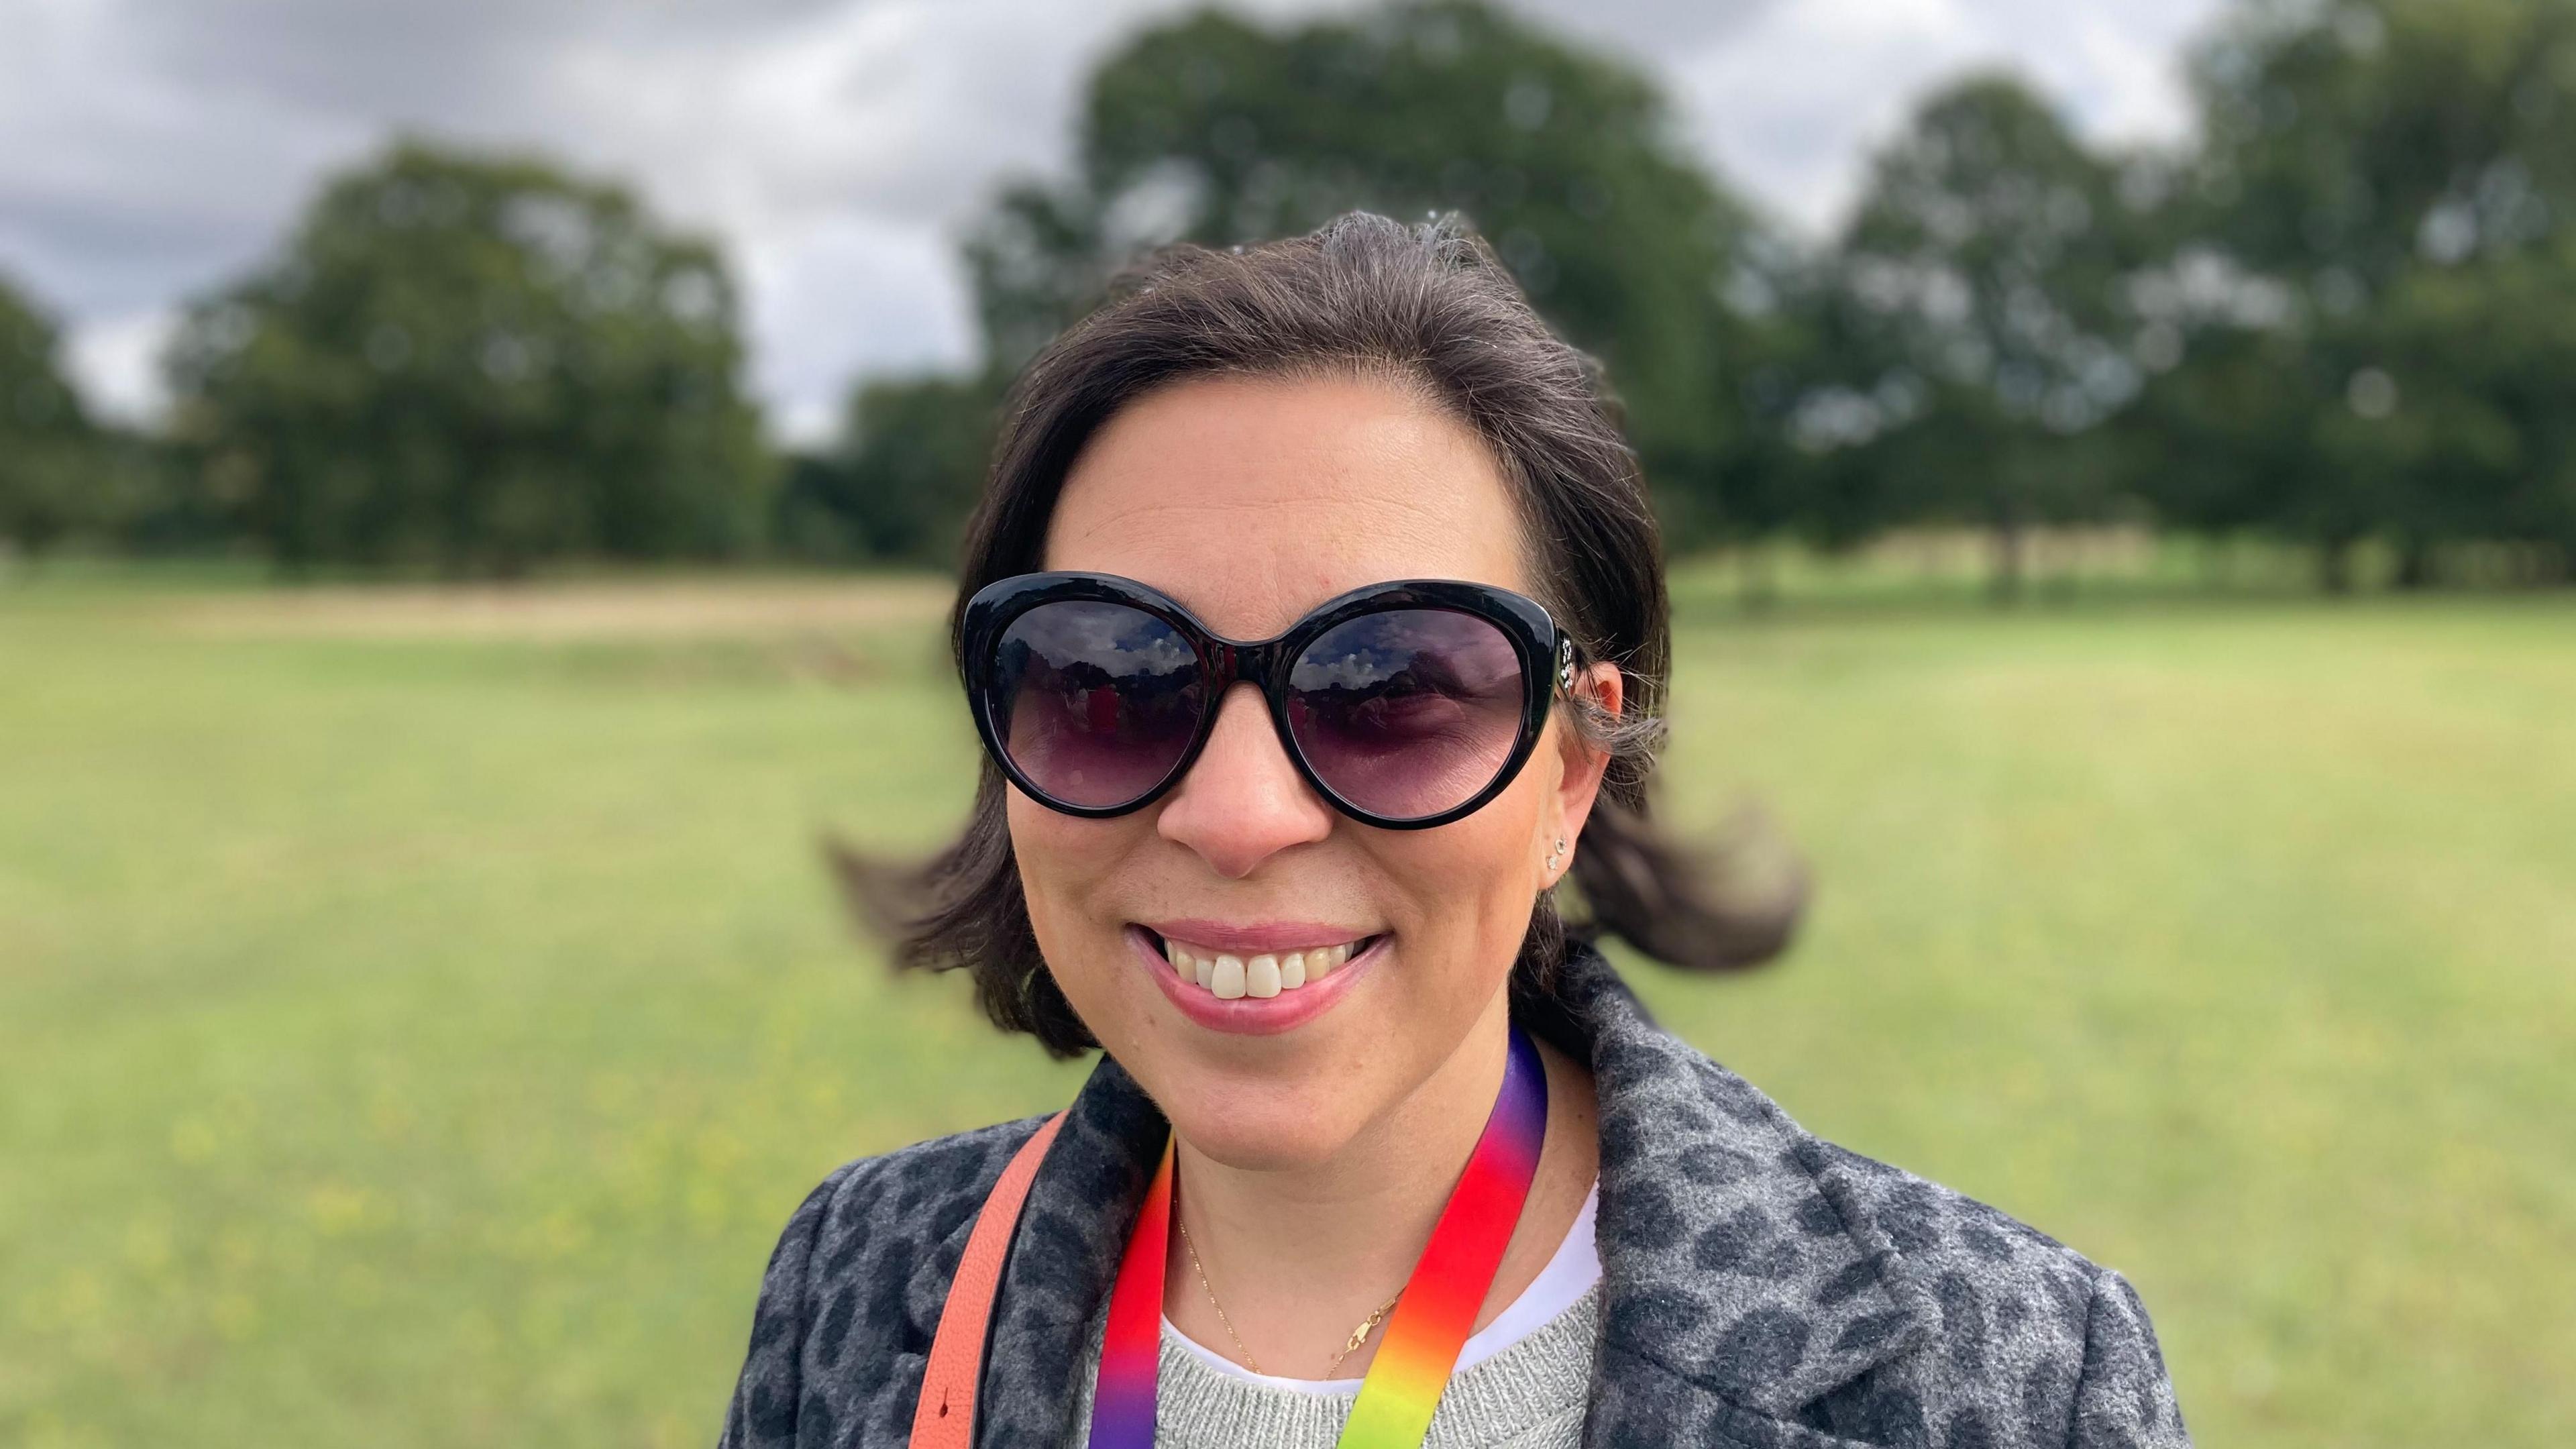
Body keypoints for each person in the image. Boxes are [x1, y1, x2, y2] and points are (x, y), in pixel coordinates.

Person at [716, 213, 2189, 1449]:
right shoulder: (857, 1288)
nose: (1236, 815)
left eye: (1397, 688)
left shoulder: (2000, 1382)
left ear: (1570, 775)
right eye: (1110, 680)